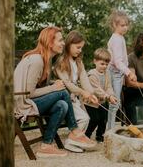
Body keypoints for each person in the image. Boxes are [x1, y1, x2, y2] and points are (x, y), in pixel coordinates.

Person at [14, 26, 96, 158]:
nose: (63, 43)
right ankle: (75, 131)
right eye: (60, 40)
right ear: (50, 42)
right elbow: (29, 93)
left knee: (62, 105)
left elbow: (37, 87)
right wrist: (54, 87)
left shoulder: (46, 60)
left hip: (29, 101)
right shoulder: (37, 60)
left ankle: (46, 145)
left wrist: (53, 84)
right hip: (22, 103)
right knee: (63, 92)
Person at [54, 30, 99, 153]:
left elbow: (84, 80)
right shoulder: (61, 62)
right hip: (64, 98)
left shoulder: (78, 62)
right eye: (78, 47)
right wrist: (83, 93)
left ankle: (73, 141)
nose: (80, 50)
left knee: (86, 118)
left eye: (81, 48)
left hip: (74, 98)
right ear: (69, 44)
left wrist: (91, 94)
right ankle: (71, 141)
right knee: (84, 118)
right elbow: (68, 84)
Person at [107, 10, 137, 129]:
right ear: (114, 25)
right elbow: (117, 61)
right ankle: (110, 129)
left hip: (118, 73)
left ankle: (111, 128)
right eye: (122, 25)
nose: (125, 28)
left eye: (126, 25)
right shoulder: (116, 39)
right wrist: (129, 72)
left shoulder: (120, 37)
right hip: (114, 72)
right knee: (115, 102)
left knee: (115, 102)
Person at [85, 48, 118, 142]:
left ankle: (100, 136)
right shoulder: (92, 75)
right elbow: (97, 89)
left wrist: (112, 95)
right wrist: (108, 96)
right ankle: (86, 135)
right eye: (102, 64)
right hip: (91, 102)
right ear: (95, 61)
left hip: (102, 101)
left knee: (103, 119)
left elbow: (108, 86)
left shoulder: (107, 73)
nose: (104, 66)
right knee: (94, 119)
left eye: (106, 65)